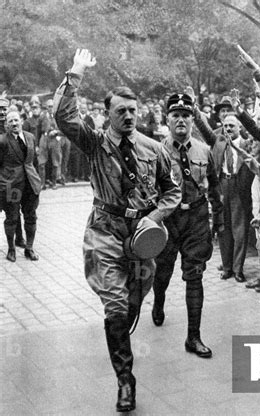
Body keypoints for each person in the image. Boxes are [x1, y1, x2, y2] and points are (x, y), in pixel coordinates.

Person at [53, 49, 181, 412]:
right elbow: (62, 115)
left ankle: (123, 326)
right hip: (105, 234)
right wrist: (77, 71)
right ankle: (125, 381)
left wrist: (155, 216)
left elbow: (173, 191)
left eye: (132, 110)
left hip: (141, 239)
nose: (128, 116)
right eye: (120, 111)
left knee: (133, 302)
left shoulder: (154, 149)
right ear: (108, 114)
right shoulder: (94, 143)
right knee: (115, 305)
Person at [151, 93, 223, 358]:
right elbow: (148, 190)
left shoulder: (204, 150)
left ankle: (194, 337)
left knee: (195, 275)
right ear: (167, 120)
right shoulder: (156, 151)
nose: (181, 120)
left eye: (186, 116)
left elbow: (214, 185)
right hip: (168, 221)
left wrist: (220, 220)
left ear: (193, 120)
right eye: (175, 115)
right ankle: (158, 302)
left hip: (196, 218)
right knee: (163, 271)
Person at [0, 110, 42, 262]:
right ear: (7, 125)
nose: (14, 123)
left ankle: (29, 248)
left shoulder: (30, 137)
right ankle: (11, 249)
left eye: (16, 120)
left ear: (21, 121)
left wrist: (38, 179)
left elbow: (34, 161)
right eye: (10, 121)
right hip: (13, 186)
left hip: (30, 184)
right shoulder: (3, 141)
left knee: (31, 216)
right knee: (11, 217)